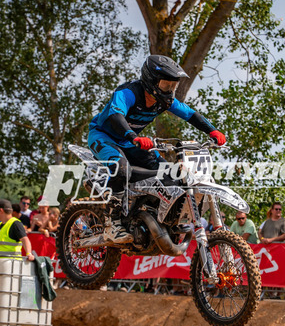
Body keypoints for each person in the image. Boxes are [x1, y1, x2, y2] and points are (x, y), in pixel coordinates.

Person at [87, 55, 226, 243]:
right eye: (166, 85)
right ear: (151, 81)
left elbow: (190, 114)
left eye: (173, 85)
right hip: (104, 137)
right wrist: (134, 137)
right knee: (121, 169)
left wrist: (212, 130)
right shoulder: (128, 93)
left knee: (169, 173)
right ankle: (112, 224)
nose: (170, 90)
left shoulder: (165, 101)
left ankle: (158, 217)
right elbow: (116, 116)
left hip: (130, 141)